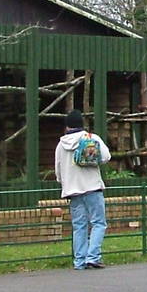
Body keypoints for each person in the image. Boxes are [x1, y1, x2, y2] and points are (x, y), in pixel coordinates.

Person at [56, 109, 112, 270]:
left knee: (79, 226)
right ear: (82, 124)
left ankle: (79, 261)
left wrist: (64, 183)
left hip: (73, 191)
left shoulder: (61, 145)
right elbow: (106, 157)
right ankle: (93, 256)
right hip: (92, 187)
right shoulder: (91, 138)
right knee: (98, 223)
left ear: (67, 126)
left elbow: (58, 169)